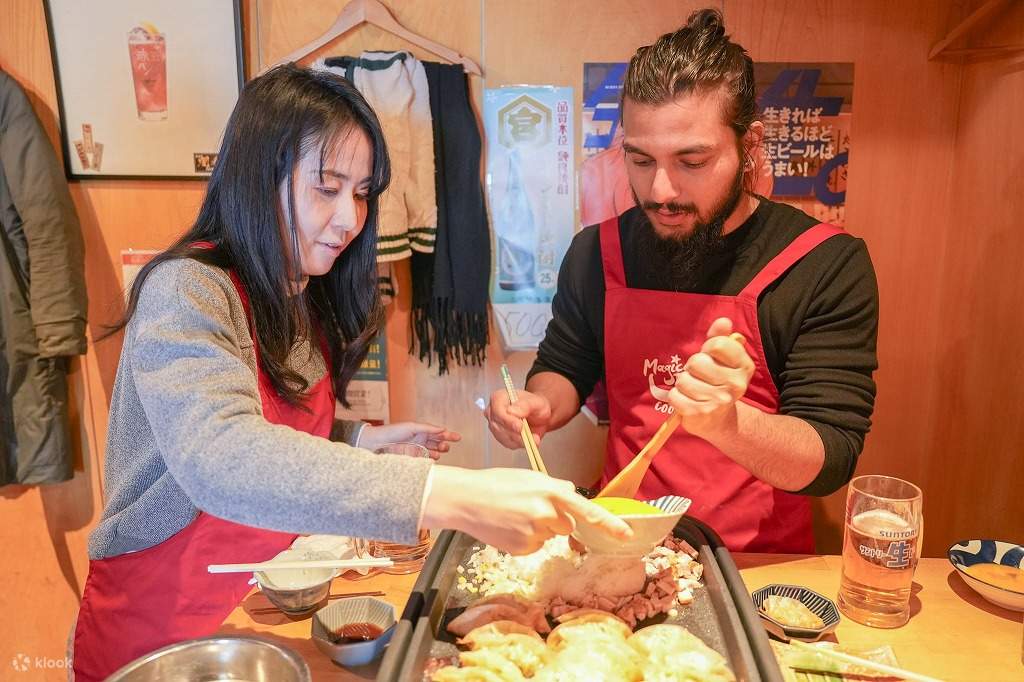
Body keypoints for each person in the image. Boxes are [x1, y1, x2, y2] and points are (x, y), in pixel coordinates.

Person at [71, 64, 630, 682]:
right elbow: (219, 453)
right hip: (160, 631)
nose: (350, 218)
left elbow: (272, 424)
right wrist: (451, 497)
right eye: (327, 187)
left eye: (361, 191)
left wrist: (358, 439)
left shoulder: (296, 290)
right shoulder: (187, 289)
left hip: (258, 613)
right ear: (259, 175)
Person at [488, 9, 878, 554]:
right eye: (641, 160)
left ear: (751, 145)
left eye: (692, 161)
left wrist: (726, 423)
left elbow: (830, 454)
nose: (661, 190)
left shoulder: (822, 264)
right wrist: (539, 407)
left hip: (757, 563)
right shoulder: (596, 252)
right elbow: (565, 365)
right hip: (624, 544)